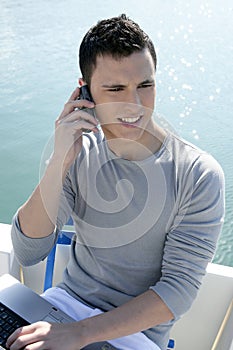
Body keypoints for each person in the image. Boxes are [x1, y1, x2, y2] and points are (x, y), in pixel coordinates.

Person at [7, 14, 225, 350]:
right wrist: (60, 162)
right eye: (115, 89)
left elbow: (177, 291)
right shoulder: (80, 151)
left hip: (132, 337)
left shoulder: (197, 174)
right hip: (58, 311)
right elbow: (27, 251)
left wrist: (81, 334)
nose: (135, 105)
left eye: (145, 86)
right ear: (85, 90)